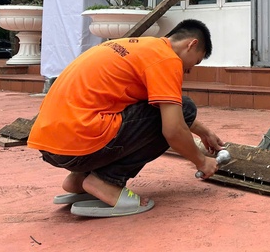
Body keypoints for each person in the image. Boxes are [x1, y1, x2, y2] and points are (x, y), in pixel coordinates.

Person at [27, 19, 225, 218]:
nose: (188, 70)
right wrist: (202, 161)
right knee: (186, 106)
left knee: (176, 110)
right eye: (195, 62)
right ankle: (106, 181)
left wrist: (204, 132)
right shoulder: (168, 59)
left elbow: (152, 109)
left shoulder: (139, 47)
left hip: (51, 143)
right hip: (79, 143)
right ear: (192, 44)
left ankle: (79, 179)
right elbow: (173, 129)